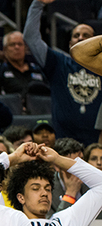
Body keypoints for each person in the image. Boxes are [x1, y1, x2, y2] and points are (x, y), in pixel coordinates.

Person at [24, 0, 100, 145]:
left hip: (97, 144)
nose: (81, 38)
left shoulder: (101, 67)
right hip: (64, 142)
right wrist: (38, 4)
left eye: (86, 35)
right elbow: (31, 38)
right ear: (70, 43)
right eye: (76, 35)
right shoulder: (58, 63)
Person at [0, 31, 48, 99]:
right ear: (5, 49)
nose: (17, 47)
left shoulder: (38, 69)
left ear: (25, 48)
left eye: (20, 44)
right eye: (12, 44)